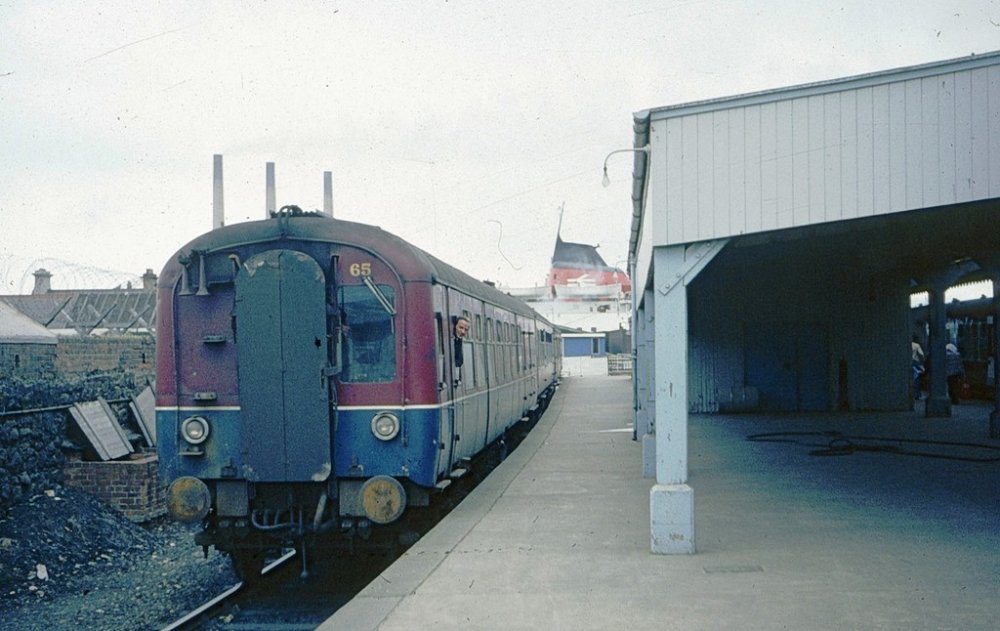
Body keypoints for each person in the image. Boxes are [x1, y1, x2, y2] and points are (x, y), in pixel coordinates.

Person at [911, 335, 925, 400]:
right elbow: (921, 355)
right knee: (916, 379)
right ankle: (916, 394)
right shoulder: (917, 345)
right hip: (916, 364)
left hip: (909, 363)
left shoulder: (908, 345)